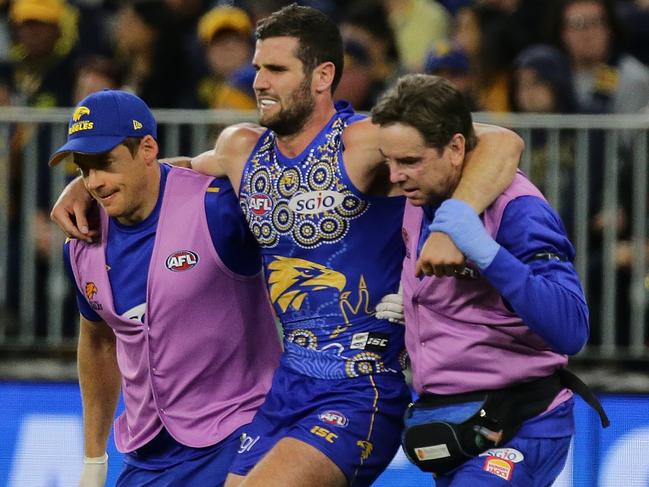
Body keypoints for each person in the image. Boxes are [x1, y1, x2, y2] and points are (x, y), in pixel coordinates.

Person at [51, 5, 525, 487]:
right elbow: (166, 171)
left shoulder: (363, 142)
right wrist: (84, 184)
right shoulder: (241, 148)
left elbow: (500, 142)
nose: (259, 82)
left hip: (361, 387)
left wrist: (453, 226)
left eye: (276, 69)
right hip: (289, 387)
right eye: (258, 67)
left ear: (322, 76)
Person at [371, 73, 608, 485]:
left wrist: (487, 253)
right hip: (453, 423)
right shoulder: (420, 195)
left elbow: (571, 328)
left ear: (457, 148)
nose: (394, 176)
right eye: (389, 161)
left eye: (409, 161)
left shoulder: (518, 209)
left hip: (520, 425)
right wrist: (413, 307)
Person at [49, 89, 281, 486]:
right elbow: (99, 342)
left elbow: (290, 183)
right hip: (148, 456)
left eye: (105, 163)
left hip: (241, 436)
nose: (96, 183)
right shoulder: (82, 241)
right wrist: (93, 460)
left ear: (148, 148)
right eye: (84, 170)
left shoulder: (217, 206)